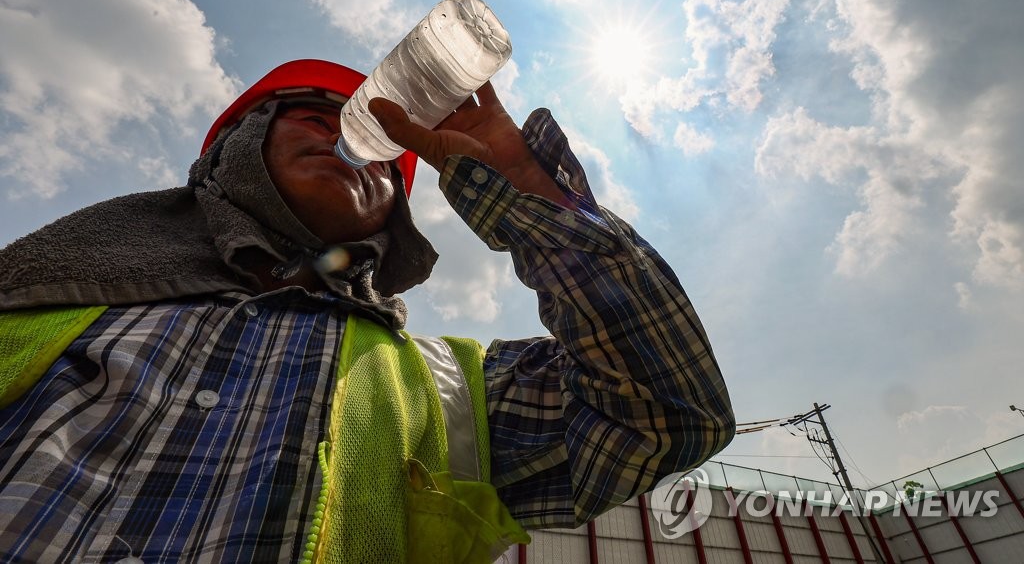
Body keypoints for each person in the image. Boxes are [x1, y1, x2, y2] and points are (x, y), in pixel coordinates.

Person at [0, 59, 734, 562]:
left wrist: (536, 201)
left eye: (382, 147)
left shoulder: (448, 390)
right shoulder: (42, 297)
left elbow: (665, 415)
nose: (354, 146)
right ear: (236, 149)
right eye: (321, 116)